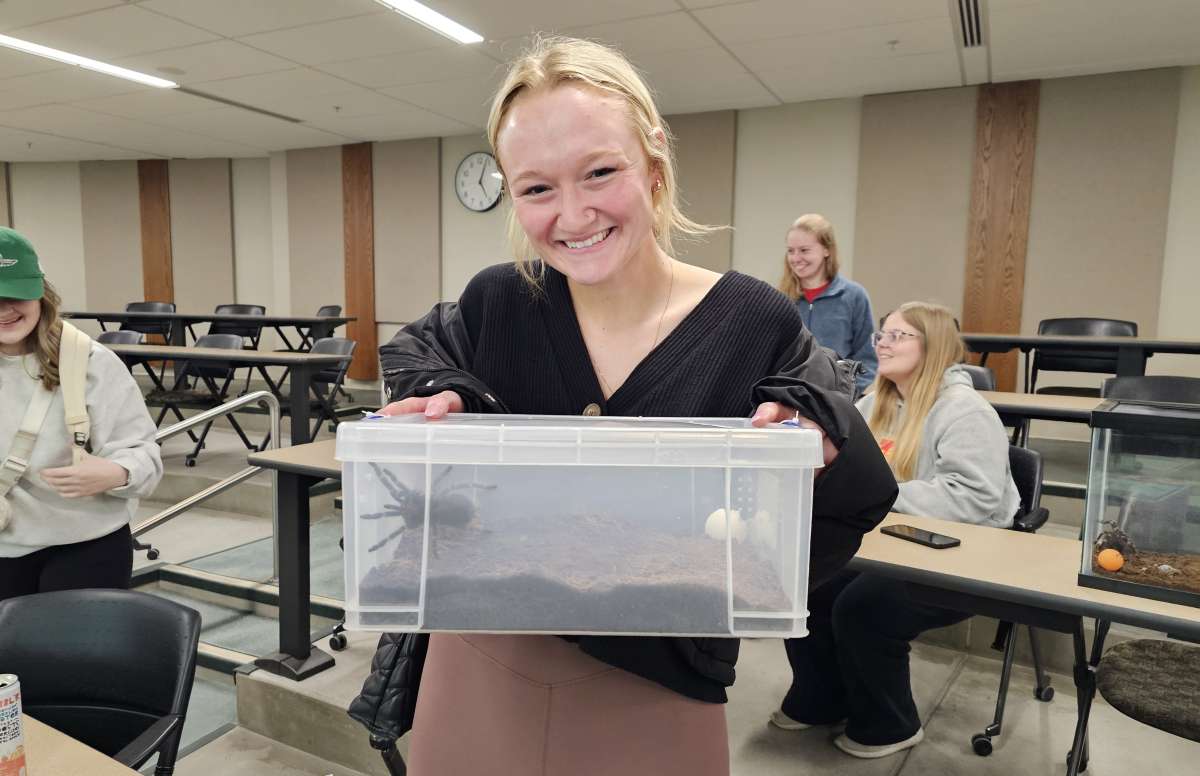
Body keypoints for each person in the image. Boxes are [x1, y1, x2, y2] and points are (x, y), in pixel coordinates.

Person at [358, 37, 897, 776]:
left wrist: (812, 454)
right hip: (479, 659)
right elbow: (420, 353)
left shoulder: (754, 322)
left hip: (659, 684)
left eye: (600, 172)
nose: (572, 214)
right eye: (536, 188)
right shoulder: (499, 302)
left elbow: (853, 495)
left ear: (653, 165)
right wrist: (439, 394)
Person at [773, 301, 1020, 758]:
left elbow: (974, 499)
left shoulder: (965, 411)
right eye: (881, 335)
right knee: (808, 581)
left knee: (864, 607)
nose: (882, 343)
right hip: (892, 541)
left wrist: (878, 497)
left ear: (935, 346)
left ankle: (890, 723)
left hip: (962, 552)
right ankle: (823, 698)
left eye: (898, 335)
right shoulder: (873, 402)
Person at [0, 227, 162, 601]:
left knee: (73, 658)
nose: (6, 310)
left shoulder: (91, 362)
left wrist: (116, 472)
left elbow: (144, 455)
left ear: (41, 292)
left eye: (17, 295)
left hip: (85, 545)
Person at [778, 214, 877, 394]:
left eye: (804, 250)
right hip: (789, 401)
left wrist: (846, 396)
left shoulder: (854, 296)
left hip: (837, 401)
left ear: (826, 250)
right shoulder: (780, 298)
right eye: (790, 251)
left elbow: (868, 359)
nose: (796, 258)